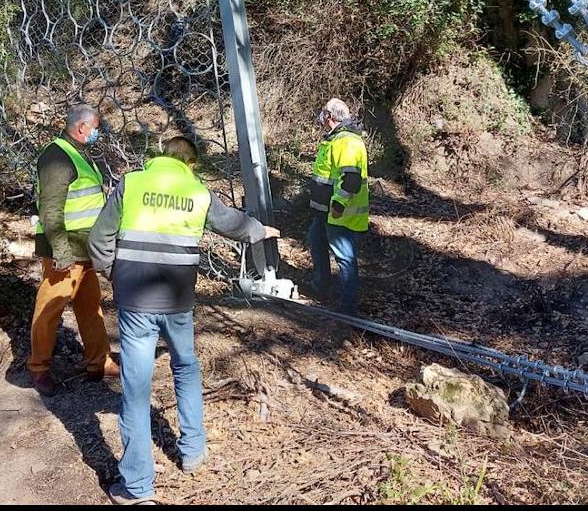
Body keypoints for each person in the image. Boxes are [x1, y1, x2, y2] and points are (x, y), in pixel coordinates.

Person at [88, 137, 280, 505]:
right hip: (178, 300)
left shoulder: (132, 183)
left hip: (135, 300)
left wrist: (113, 272)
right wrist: (260, 230)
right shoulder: (198, 192)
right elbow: (233, 223)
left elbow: (99, 238)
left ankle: (137, 488)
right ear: (191, 165)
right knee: (186, 367)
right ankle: (192, 451)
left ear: (162, 158)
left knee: (136, 388)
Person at [28, 104, 119, 397]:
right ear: (81, 128)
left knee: (90, 306)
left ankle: (99, 362)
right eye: (95, 129)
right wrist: (61, 252)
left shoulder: (78, 154)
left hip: (84, 248)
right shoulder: (56, 157)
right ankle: (38, 368)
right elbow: (50, 210)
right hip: (64, 250)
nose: (97, 134)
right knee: (50, 308)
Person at [309, 98, 369, 315]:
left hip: (339, 213)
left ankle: (348, 307)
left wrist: (338, 205)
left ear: (330, 116)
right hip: (324, 211)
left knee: (344, 258)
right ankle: (320, 288)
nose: (321, 116)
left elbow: (350, 179)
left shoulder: (348, 142)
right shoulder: (334, 140)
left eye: (323, 112)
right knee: (315, 242)